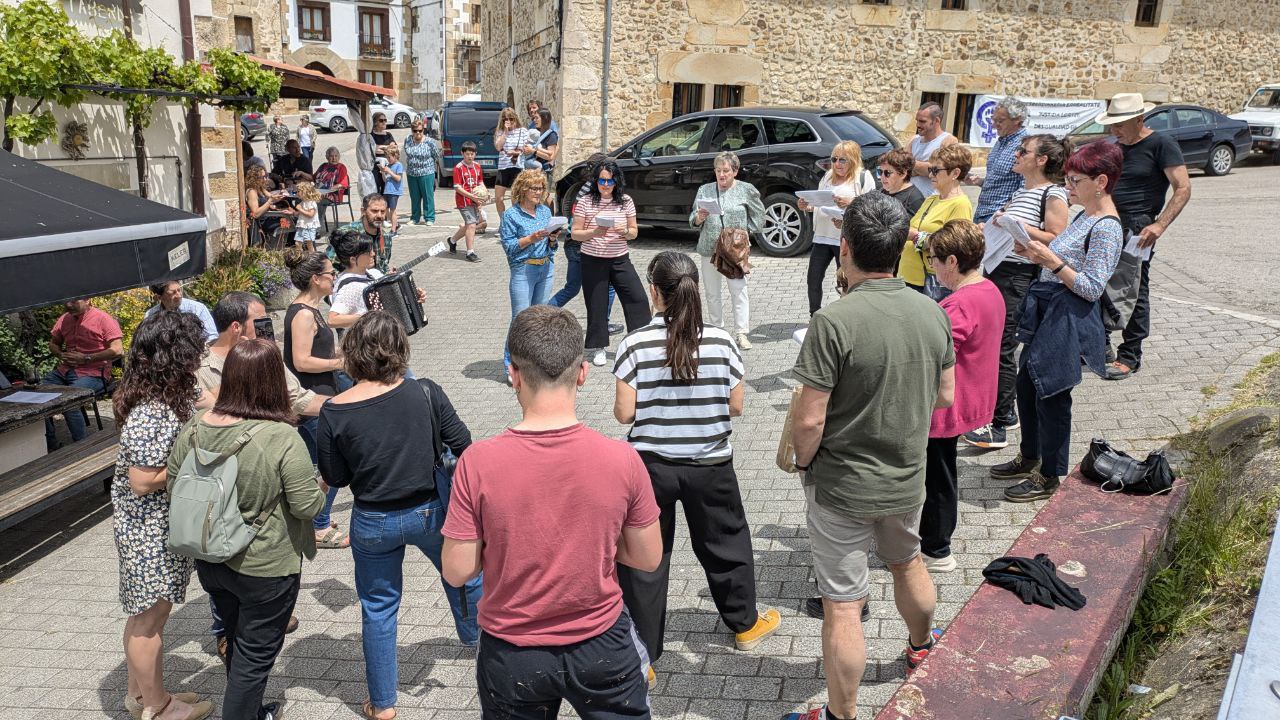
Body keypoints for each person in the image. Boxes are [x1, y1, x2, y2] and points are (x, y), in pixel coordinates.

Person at [441, 305, 662, 719]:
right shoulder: (623, 459)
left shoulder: (477, 462)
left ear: (513, 374)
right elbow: (648, 557)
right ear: (582, 373)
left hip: (512, 651)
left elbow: (457, 571)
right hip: (601, 642)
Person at [786, 192, 955, 720]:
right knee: (908, 563)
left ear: (845, 247)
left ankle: (842, 713)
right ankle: (921, 646)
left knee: (842, 605)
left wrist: (804, 463)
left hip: (842, 485)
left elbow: (809, 420)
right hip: (906, 478)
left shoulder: (833, 322)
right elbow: (946, 396)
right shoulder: (933, 312)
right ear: (901, 246)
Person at [613, 251, 780, 679]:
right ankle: (744, 624)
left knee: (646, 558)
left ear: (654, 291)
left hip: (650, 468)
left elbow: (624, 414)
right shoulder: (721, 341)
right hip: (710, 464)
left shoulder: (634, 344)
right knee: (726, 544)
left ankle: (642, 656)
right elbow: (737, 406)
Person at [318, 312, 483, 720]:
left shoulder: (334, 410)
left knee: (378, 608)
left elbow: (336, 477)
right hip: (431, 510)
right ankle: (480, 644)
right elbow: (464, 444)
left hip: (372, 519)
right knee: (465, 577)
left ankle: (383, 704)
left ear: (352, 351)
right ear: (399, 348)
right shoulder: (425, 391)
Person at [169, 339, 325, 720]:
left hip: (210, 559)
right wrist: (321, 485)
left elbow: (174, 485)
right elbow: (306, 506)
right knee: (254, 659)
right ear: (274, 380)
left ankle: (253, 712)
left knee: (237, 640)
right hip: (266, 566)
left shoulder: (194, 427)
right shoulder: (281, 436)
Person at [994, 141, 1125, 502]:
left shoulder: (1108, 227)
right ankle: (1030, 455)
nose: (1068, 187)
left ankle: (1050, 474)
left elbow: (1091, 287)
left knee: (1051, 393)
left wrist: (1050, 261)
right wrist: (1034, 253)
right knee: (1026, 384)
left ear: (1101, 181)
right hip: (1048, 307)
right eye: (1067, 179)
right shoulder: (1084, 216)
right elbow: (1061, 256)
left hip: (1067, 315)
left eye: (1074, 180)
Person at [112, 310, 213, 720]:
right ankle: (158, 706)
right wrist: (194, 465)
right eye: (195, 350)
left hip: (154, 525)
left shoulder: (166, 395)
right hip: (147, 528)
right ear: (176, 356)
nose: (200, 356)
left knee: (147, 614)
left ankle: (140, 696)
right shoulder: (151, 410)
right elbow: (142, 480)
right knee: (149, 619)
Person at [964, 134, 1071, 450]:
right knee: (990, 343)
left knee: (1003, 347)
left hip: (1019, 276)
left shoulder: (1053, 193)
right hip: (998, 269)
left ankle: (999, 422)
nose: (1016, 155)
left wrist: (1014, 225)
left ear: (1041, 160)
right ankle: (1002, 413)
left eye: (1023, 151)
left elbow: (1058, 237)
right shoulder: (1021, 191)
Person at [920, 221, 1005, 572]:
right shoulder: (990, 290)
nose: (932, 266)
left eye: (934, 260)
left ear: (952, 261)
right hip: (973, 398)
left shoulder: (958, 304)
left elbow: (939, 359)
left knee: (937, 477)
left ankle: (937, 549)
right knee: (942, 471)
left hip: (946, 407)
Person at [1097, 92, 1192, 380]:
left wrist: (1160, 225)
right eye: (1112, 124)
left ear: (1139, 119)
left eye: (1119, 124)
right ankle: (1101, 345)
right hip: (1108, 222)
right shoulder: (1115, 148)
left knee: (1134, 289)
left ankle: (1130, 355)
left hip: (1139, 227)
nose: (1114, 130)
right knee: (1098, 284)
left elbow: (1183, 188)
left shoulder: (1161, 144)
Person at [282, 249, 349, 549]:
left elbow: (319, 351)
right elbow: (301, 361)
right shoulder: (303, 313)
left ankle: (311, 519)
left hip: (320, 397)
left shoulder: (313, 309)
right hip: (312, 401)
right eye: (330, 273)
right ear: (315, 279)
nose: (334, 277)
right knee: (333, 465)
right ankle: (319, 525)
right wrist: (339, 364)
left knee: (315, 465)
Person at [573, 160, 650, 366]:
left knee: (638, 299)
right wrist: (594, 232)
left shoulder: (625, 201)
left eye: (609, 181)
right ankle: (599, 347)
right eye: (601, 181)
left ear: (617, 181)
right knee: (597, 304)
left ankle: (640, 343)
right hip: (592, 259)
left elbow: (634, 232)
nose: (605, 185)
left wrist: (624, 231)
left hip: (619, 258)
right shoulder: (586, 201)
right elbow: (575, 233)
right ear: (596, 181)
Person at [690, 151, 764, 350]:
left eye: (725, 171)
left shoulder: (746, 189)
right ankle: (717, 330)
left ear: (735, 172)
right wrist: (699, 217)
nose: (721, 175)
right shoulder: (705, 190)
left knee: (738, 290)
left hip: (734, 250)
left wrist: (745, 233)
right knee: (712, 293)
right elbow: (692, 219)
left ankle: (741, 333)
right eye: (718, 171)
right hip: (710, 248)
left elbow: (759, 215)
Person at [797, 140, 877, 315]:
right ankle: (814, 316)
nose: (837, 164)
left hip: (846, 239)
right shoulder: (828, 176)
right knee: (813, 278)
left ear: (853, 159)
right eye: (834, 159)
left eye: (843, 160)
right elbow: (819, 202)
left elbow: (871, 205)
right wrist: (807, 205)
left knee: (846, 279)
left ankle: (846, 315)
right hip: (822, 236)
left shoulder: (863, 177)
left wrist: (850, 202)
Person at [499, 169, 563, 377]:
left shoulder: (544, 211)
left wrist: (552, 240)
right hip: (523, 270)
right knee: (520, 320)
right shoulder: (511, 215)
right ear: (522, 189)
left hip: (546, 268)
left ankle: (533, 362)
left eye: (541, 188)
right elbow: (509, 248)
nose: (538, 192)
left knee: (539, 319)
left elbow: (551, 247)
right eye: (534, 188)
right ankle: (511, 365)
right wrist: (531, 238)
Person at [549, 153, 620, 334]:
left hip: (572, 245)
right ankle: (602, 325)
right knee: (608, 286)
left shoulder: (584, 187)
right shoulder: (594, 192)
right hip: (585, 246)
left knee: (572, 288)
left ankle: (543, 315)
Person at [43, 298, 123, 450]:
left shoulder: (103, 318)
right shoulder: (64, 319)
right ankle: (49, 444)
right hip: (65, 370)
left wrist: (86, 358)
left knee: (69, 401)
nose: (68, 305)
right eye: (66, 301)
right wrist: (60, 354)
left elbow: (118, 350)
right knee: (38, 395)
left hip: (94, 373)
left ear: (88, 300)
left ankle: (82, 447)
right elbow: (53, 343)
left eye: (74, 301)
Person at [902, 144, 975, 297]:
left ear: (955, 173)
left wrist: (915, 236)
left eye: (935, 170)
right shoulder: (932, 199)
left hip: (928, 282)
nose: (930, 175)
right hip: (908, 276)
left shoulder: (960, 204)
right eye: (930, 169)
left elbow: (954, 246)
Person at [970, 97, 1029, 224]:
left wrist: (1004, 212)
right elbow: (1003, 182)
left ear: (1017, 120)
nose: (993, 125)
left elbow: (1026, 188)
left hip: (999, 218)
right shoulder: (1001, 141)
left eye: (1000, 121)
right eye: (993, 119)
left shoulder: (1026, 145)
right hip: (982, 213)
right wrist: (980, 181)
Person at [910, 102, 959, 196]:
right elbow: (902, 168)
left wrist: (912, 165)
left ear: (936, 120)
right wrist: (925, 168)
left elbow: (941, 171)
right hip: (911, 199)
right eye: (917, 121)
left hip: (934, 199)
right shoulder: (913, 140)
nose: (918, 125)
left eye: (922, 121)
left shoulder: (948, 141)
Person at [145, 280, 217, 342]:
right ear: (159, 297)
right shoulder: (151, 315)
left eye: (179, 290)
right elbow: (148, 340)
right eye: (173, 293)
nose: (179, 295)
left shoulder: (197, 309)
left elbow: (212, 336)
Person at [449, 141, 485, 263]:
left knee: (469, 225)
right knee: (471, 224)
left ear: (475, 154)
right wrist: (472, 196)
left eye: (472, 154)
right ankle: (470, 252)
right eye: (467, 154)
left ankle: (452, 240)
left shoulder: (477, 166)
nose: (470, 156)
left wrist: (484, 193)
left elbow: (480, 182)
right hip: (463, 201)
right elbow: (457, 187)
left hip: (474, 200)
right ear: (462, 153)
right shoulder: (458, 168)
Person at [341, 194, 394, 273]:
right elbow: (331, 267)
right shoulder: (347, 234)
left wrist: (389, 275)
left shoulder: (386, 236)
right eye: (374, 211)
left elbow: (383, 266)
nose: (379, 215)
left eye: (382, 211)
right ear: (363, 211)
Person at [403, 120, 441, 225]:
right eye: (415, 131)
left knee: (427, 196)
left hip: (426, 172)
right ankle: (415, 218)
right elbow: (406, 152)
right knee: (414, 197)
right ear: (412, 130)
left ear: (423, 130)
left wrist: (432, 169)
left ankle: (429, 218)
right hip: (412, 173)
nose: (418, 133)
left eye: (420, 130)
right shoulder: (408, 140)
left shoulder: (430, 142)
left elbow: (436, 156)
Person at [493, 107, 529, 217]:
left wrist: (516, 152)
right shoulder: (500, 132)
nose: (508, 121)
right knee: (499, 198)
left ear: (515, 118)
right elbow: (498, 147)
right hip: (503, 167)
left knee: (515, 198)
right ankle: (503, 221)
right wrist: (505, 132)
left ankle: (516, 221)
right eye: (505, 119)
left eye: (511, 119)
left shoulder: (523, 131)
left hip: (517, 167)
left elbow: (527, 149)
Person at [244, 165, 292, 245]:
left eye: (265, 176)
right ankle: (294, 245)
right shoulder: (252, 192)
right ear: (254, 178)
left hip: (269, 218)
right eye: (262, 177)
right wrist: (270, 202)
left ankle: (293, 244)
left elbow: (271, 197)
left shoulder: (260, 188)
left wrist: (281, 194)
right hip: (264, 222)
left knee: (295, 217)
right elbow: (255, 214)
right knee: (294, 221)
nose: (265, 179)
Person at [878, 148, 926, 217]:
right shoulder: (881, 192)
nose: (882, 177)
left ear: (903, 174)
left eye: (888, 172)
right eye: (880, 171)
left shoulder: (914, 200)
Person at [523, 108, 560, 196]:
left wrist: (533, 151)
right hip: (533, 171)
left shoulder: (551, 135)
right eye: (534, 118)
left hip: (544, 172)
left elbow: (550, 157)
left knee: (544, 197)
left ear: (544, 119)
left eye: (537, 118)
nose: (534, 120)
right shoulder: (536, 133)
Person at [314, 147, 351, 224]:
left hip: (332, 195)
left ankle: (317, 226)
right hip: (318, 193)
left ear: (339, 156)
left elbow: (342, 184)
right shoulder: (323, 166)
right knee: (303, 199)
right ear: (327, 157)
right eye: (331, 156)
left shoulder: (341, 167)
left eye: (336, 156)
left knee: (317, 202)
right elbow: (313, 178)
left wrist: (326, 191)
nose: (334, 158)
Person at [378, 145, 404, 233]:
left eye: (389, 157)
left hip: (394, 191)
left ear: (395, 156)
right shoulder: (388, 165)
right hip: (387, 190)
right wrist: (383, 173)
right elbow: (385, 180)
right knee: (384, 209)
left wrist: (389, 171)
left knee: (392, 210)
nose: (388, 159)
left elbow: (398, 178)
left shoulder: (398, 165)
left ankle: (393, 230)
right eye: (387, 157)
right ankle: (395, 224)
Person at [293, 181, 322, 253]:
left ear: (305, 192)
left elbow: (311, 215)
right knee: (297, 243)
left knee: (309, 244)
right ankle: (300, 256)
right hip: (302, 225)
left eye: (298, 191)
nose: (297, 193)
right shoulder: (302, 202)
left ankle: (312, 256)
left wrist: (300, 209)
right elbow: (300, 213)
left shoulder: (311, 202)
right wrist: (292, 212)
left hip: (309, 226)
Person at [371, 112, 396, 196]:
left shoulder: (388, 134)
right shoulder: (372, 135)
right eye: (381, 120)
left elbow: (394, 148)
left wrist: (382, 147)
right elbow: (374, 149)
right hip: (376, 166)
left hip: (388, 166)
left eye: (385, 120)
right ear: (375, 122)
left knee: (387, 188)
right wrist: (387, 147)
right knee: (376, 188)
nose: (384, 122)